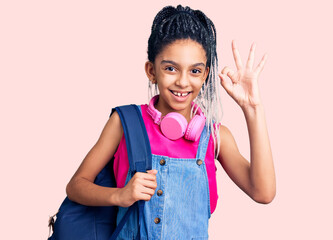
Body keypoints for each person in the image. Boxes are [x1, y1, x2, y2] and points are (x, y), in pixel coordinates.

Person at [65, 4, 276, 239]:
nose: (183, 82)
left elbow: (263, 193)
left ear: (205, 74)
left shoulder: (215, 136)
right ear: (151, 70)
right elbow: (76, 186)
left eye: (195, 71)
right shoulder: (126, 123)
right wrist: (120, 195)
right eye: (170, 68)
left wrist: (252, 108)